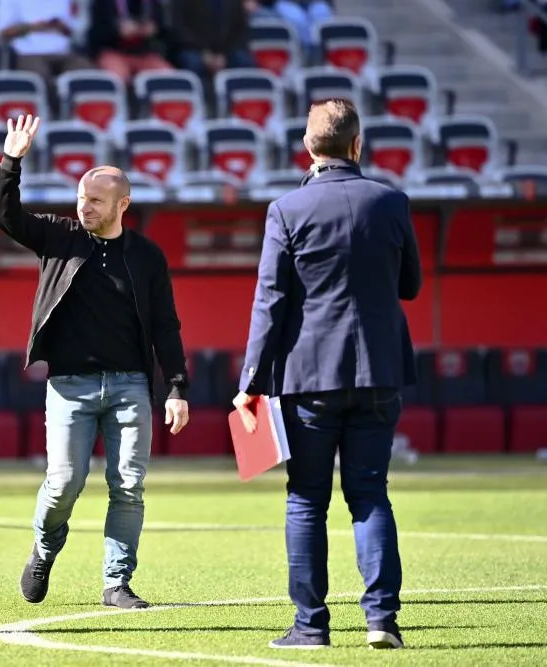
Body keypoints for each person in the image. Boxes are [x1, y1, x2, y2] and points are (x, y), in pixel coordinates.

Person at [233, 98, 421, 650]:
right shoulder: (393, 202)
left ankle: (310, 627)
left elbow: (270, 302)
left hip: (308, 377)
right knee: (370, 495)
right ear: (357, 146)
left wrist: (250, 381)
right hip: (380, 374)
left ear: (309, 149)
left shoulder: (286, 210)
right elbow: (409, 286)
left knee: (306, 499)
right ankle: (382, 620)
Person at [0, 115, 191, 610]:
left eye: (96, 200)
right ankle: (43, 548)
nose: (85, 207)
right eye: (82, 197)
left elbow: (166, 324)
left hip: (130, 387)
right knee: (63, 484)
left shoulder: (146, 256)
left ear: (123, 205)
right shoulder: (59, 236)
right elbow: (4, 214)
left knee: (128, 486)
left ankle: (117, 583)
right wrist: (11, 160)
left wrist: (178, 388)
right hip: (69, 386)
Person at [86, 0, 175, 83]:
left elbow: (163, 30)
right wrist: (116, 30)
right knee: (115, 78)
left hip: (145, 53)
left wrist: (154, 29)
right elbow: (95, 33)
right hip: (113, 52)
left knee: (167, 78)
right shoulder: (104, 2)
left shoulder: (152, 2)